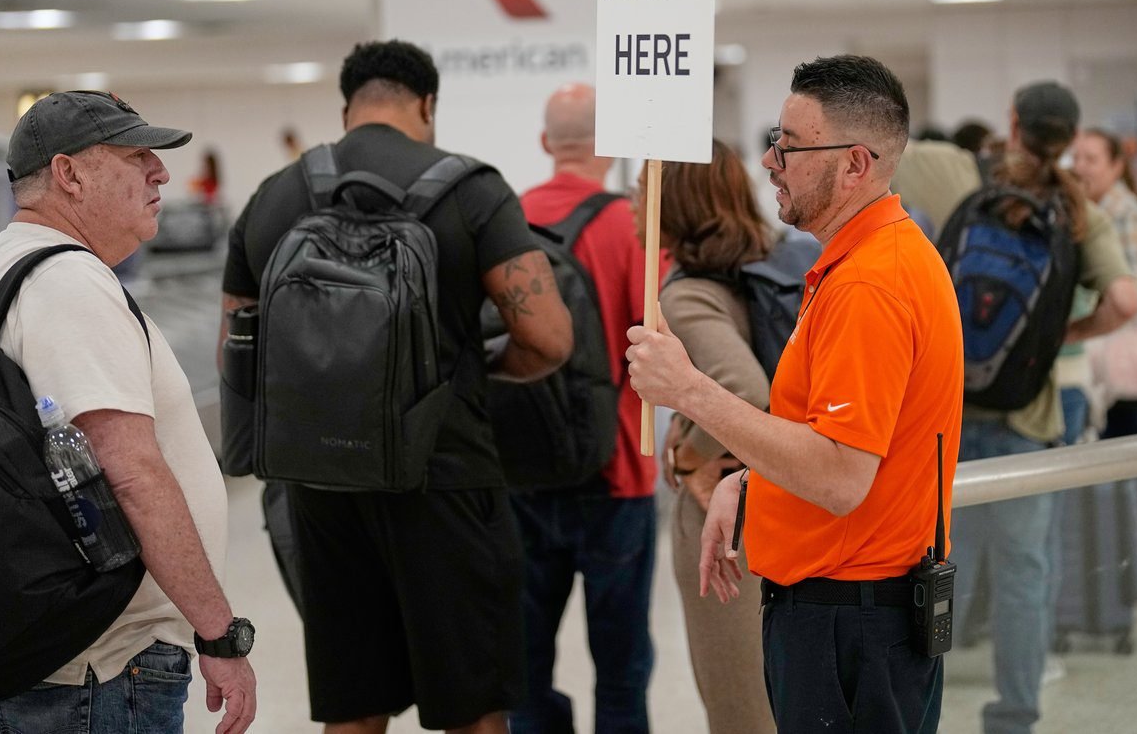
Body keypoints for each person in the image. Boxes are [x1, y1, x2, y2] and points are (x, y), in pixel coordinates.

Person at [221, 40, 573, 734]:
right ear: (428, 104)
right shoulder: (472, 190)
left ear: (347, 106)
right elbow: (550, 338)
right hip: (445, 477)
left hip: (322, 485)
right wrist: (468, 377)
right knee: (473, 705)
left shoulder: (275, 194)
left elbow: (237, 349)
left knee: (353, 705)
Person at [627, 55, 965, 734]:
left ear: (855, 164)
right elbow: (851, 441)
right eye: (774, 141)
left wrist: (688, 389)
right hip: (856, 612)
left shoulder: (868, 285)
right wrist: (750, 482)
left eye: (791, 145)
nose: (772, 161)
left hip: (849, 622)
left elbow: (840, 475)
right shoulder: (866, 260)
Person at [0, 90, 256, 734]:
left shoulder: (19, 264)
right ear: (69, 174)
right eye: (135, 154)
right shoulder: (66, 284)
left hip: (77, 665)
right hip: (106, 671)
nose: (161, 172)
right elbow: (131, 476)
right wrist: (219, 633)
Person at [949, 82, 1137, 734]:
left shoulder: (962, 176)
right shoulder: (1078, 208)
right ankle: (1014, 715)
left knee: (941, 564)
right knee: (1024, 573)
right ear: (1068, 137)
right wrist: (1065, 335)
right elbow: (1124, 299)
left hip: (947, 417)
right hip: (1029, 418)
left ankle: (914, 701)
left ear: (1012, 122)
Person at [508, 83, 655, 733]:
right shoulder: (632, 227)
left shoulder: (503, 222)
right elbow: (654, 352)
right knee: (621, 670)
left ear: (546, 143)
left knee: (523, 667)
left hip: (520, 476)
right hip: (616, 473)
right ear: (609, 146)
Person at [651, 140, 775, 734]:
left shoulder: (689, 291)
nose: (633, 202)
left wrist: (687, 454)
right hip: (786, 492)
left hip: (728, 514)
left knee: (738, 703)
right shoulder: (776, 263)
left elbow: (746, 390)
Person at [1071, 127, 1137, 612]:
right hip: (1109, 362)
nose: (1082, 166)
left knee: (1131, 467)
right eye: (1078, 157)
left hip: (1122, 364)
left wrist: (1091, 315)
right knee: (1124, 466)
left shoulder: (1121, 212)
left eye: (1092, 158)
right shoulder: (1102, 209)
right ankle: (1129, 576)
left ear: (1115, 165)